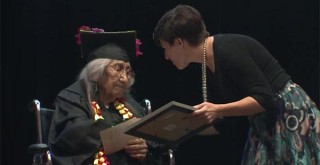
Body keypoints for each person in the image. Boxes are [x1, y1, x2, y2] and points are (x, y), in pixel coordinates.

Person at [153, 4, 320, 165]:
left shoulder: (227, 49)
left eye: (165, 48)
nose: (166, 56)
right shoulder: (207, 63)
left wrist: (216, 109)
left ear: (179, 42)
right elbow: (224, 123)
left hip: (288, 112)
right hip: (264, 122)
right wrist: (179, 128)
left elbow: (265, 98)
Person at [48, 26, 166, 165]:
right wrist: (119, 132)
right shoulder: (72, 97)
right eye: (118, 68)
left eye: (128, 71)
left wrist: (142, 153)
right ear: (97, 71)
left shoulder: (129, 103)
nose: (124, 78)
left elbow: (152, 142)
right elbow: (74, 137)